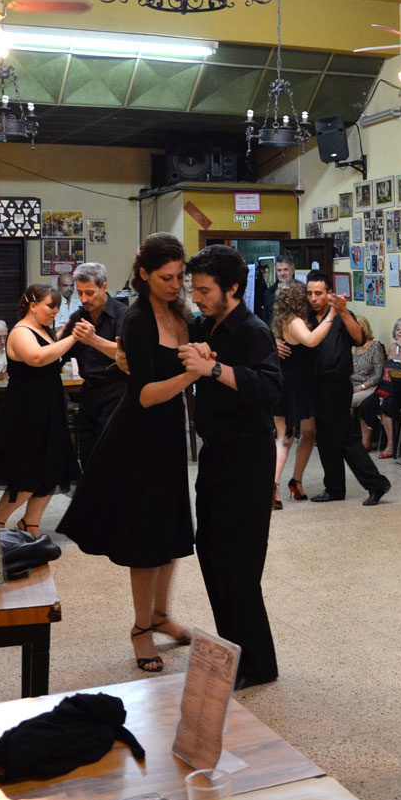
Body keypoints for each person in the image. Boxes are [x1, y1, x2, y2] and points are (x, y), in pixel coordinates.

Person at [59, 235, 197, 674]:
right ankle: (141, 628)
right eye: (165, 278)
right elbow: (145, 394)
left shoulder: (177, 311)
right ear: (143, 275)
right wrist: (192, 375)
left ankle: (161, 614)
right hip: (139, 431)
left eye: (179, 277)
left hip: (169, 429)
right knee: (145, 537)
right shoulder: (137, 319)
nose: (175, 285)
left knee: (172, 529)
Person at [177, 244, 282, 689]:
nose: (196, 297)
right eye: (192, 288)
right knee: (213, 555)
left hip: (249, 456)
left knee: (239, 566)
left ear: (233, 289)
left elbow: (272, 390)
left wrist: (214, 369)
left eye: (203, 290)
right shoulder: (207, 325)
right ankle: (236, 651)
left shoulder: (253, 331)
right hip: (217, 454)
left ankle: (258, 665)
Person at [0, 284, 86, 533]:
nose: (55, 310)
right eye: (50, 305)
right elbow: (38, 358)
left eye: (57, 306)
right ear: (33, 305)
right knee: (28, 472)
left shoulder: (42, 329)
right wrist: (72, 338)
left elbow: (52, 348)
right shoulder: (20, 332)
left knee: (53, 468)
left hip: (49, 408)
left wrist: (70, 331)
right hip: (27, 412)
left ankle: (30, 523)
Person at [304, 270, 392, 506]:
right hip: (316, 385)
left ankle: (375, 483)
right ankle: (335, 487)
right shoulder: (306, 317)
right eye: (310, 293)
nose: (313, 298)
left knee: (345, 439)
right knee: (326, 439)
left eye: (318, 293)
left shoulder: (343, 314)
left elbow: (360, 339)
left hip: (337, 384)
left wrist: (342, 311)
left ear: (329, 293)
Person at [270, 280, 335, 506]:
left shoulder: (279, 322)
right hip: (297, 384)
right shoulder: (296, 322)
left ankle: (295, 483)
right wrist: (332, 315)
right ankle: (274, 487)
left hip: (286, 382)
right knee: (287, 438)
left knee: (306, 432)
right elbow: (311, 340)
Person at [59, 263, 128, 469]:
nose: (84, 299)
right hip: (88, 391)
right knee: (87, 454)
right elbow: (59, 350)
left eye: (89, 292)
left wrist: (93, 339)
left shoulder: (123, 314)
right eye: (80, 293)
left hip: (118, 391)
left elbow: (127, 356)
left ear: (104, 287)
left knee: (109, 454)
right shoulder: (78, 317)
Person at [359, 318, 401, 460]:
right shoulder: (391, 347)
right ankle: (365, 442)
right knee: (366, 405)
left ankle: (391, 445)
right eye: (397, 329)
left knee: (388, 407)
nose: (400, 331)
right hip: (385, 387)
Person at [350, 315, 386, 427]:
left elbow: (378, 375)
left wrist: (361, 387)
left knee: (344, 401)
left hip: (368, 387)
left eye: (361, 327)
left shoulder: (375, 347)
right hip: (349, 385)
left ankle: (348, 436)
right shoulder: (351, 346)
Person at [256, 254, 295, 326]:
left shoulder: (301, 291)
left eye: (285, 269)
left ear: (293, 270)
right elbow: (265, 319)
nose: (282, 273)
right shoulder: (268, 293)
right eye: (279, 270)